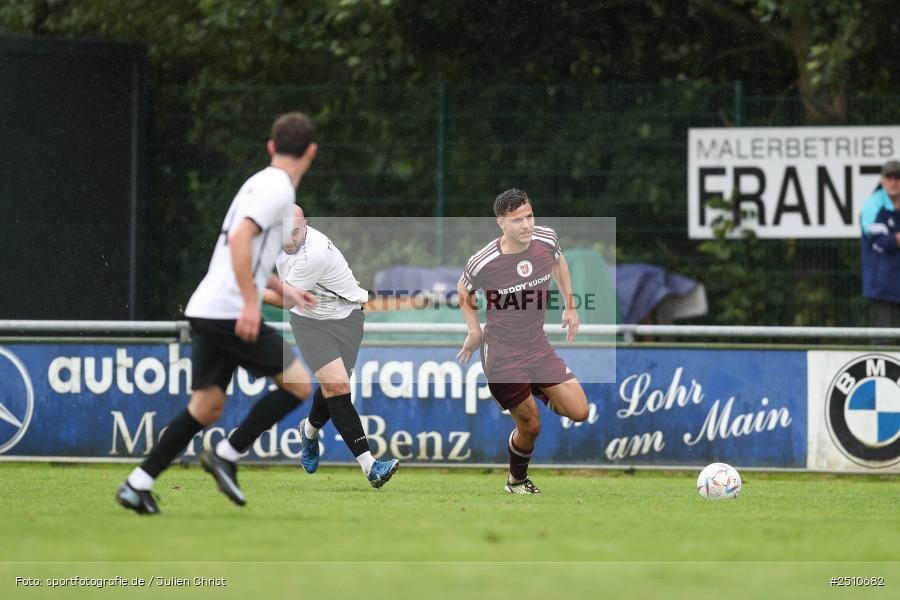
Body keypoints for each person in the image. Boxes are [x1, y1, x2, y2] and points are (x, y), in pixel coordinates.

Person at [116, 112, 319, 514]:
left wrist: (285, 289)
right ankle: (227, 453)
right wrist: (249, 302)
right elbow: (241, 240)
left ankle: (138, 483)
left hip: (208, 306)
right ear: (311, 152)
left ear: (271, 146)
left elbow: (246, 251)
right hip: (228, 309)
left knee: (206, 407)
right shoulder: (277, 188)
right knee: (299, 385)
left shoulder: (258, 183)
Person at [456, 188, 589, 494]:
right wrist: (474, 330)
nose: (527, 225)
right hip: (503, 355)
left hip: (537, 347)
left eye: (530, 216)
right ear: (501, 223)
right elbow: (463, 291)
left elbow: (558, 262)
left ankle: (536, 389)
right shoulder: (484, 260)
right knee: (531, 426)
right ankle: (516, 481)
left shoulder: (546, 238)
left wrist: (570, 305)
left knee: (580, 411)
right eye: (518, 220)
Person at [264, 205, 399, 488]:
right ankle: (371, 467)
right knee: (338, 387)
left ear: (306, 225)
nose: (290, 239)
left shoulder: (313, 254)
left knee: (332, 389)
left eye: (296, 232)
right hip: (309, 323)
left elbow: (287, 298)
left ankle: (310, 431)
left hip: (348, 318)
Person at [860, 159, 900, 332]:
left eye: (898, 177)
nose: (894, 182)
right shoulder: (872, 205)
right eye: (889, 177)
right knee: (882, 342)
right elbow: (882, 241)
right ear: (882, 180)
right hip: (881, 286)